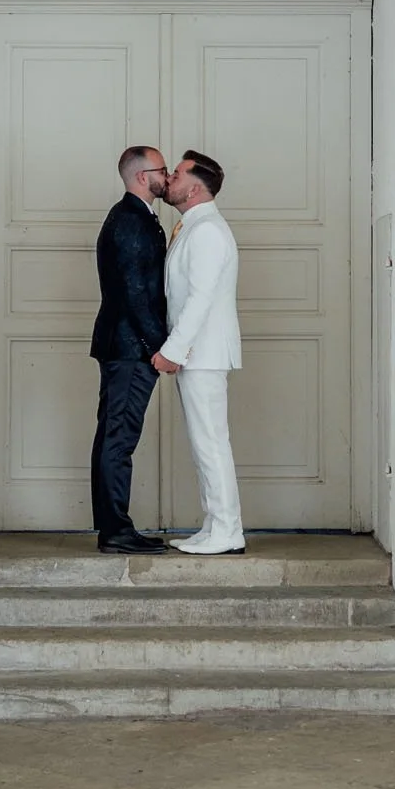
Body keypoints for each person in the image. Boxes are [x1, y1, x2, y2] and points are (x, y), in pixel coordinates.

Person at [152, 150, 246, 554]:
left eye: (176, 173)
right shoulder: (194, 226)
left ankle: (227, 530)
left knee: (210, 442)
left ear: (193, 187)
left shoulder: (207, 230)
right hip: (198, 353)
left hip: (203, 353)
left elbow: (200, 299)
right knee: (205, 441)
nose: (168, 178)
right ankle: (215, 526)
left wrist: (173, 350)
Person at [87, 146, 173, 554]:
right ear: (142, 177)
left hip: (126, 347)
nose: (168, 176)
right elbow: (135, 293)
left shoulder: (138, 218)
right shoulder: (130, 221)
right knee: (117, 439)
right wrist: (161, 347)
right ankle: (116, 531)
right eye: (162, 170)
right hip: (128, 350)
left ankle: (113, 527)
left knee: (114, 437)